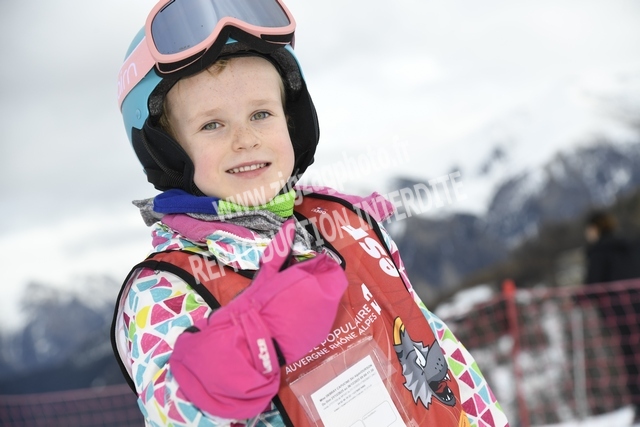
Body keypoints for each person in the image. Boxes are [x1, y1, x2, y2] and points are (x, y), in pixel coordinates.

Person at [111, 1, 509, 426]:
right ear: (168, 153)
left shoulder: (344, 221)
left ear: (293, 122)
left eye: (261, 114)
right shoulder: (166, 288)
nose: (245, 139)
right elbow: (173, 413)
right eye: (212, 125)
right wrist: (247, 343)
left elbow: (437, 348)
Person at [582, 210, 640, 418]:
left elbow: (591, 287)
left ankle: (638, 405)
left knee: (632, 360)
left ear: (595, 228)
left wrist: (576, 300)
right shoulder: (629, 245)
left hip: (621, 314)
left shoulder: (599, 252)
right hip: (637, 305)